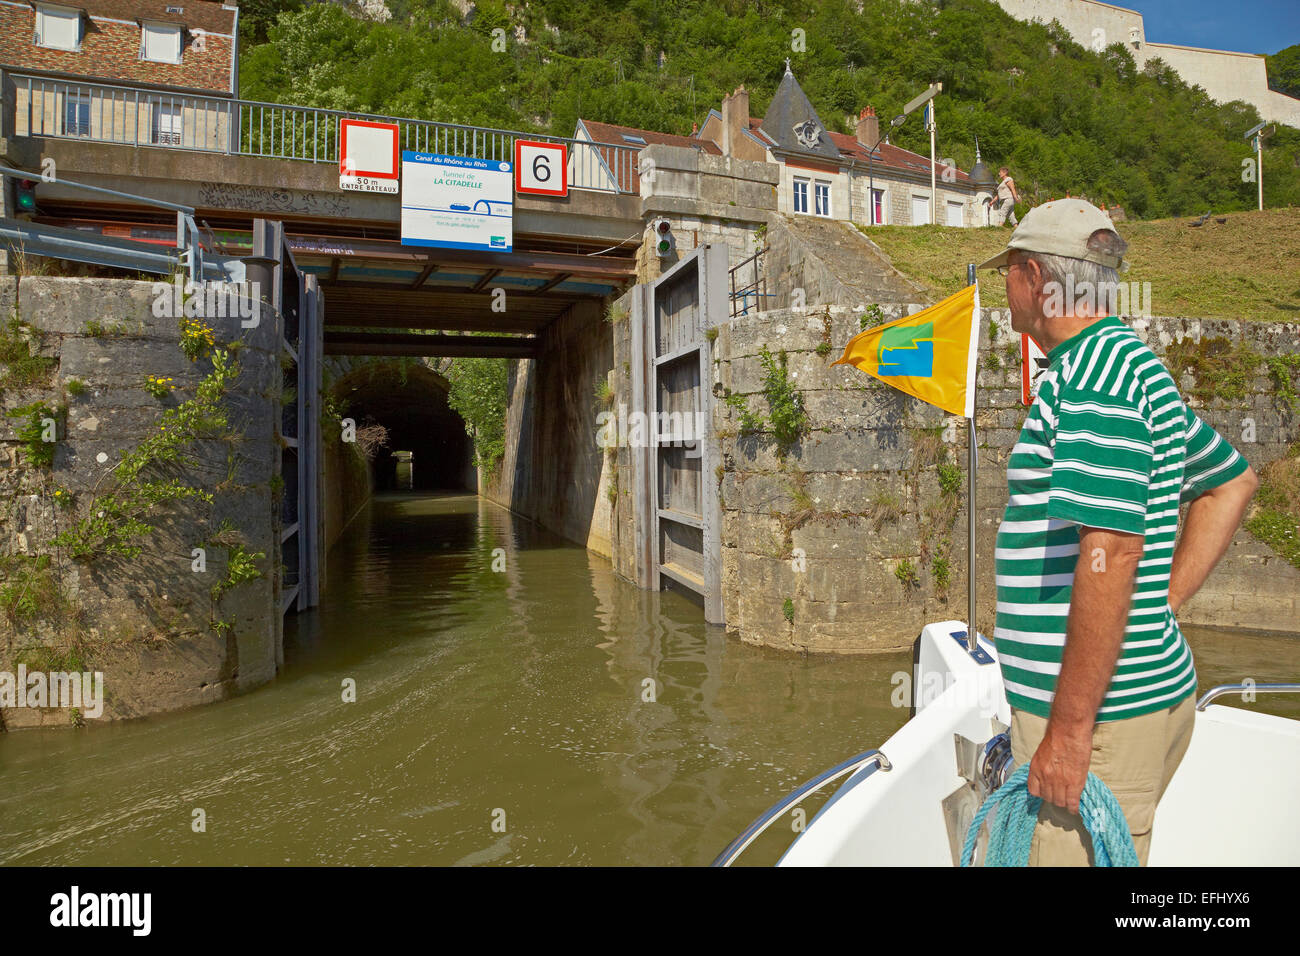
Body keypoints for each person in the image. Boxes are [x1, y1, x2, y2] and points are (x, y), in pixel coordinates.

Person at [978, 199, 1259, 866]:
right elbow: (1231, 482)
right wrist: (1163, 603)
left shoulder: (1093, 379)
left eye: (1008, 272)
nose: (1004, 287)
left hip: (1096, 725)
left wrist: (1071, 733)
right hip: (1137, 698)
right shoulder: (1132, 365)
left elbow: (1111, 548)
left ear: (1035, 277)